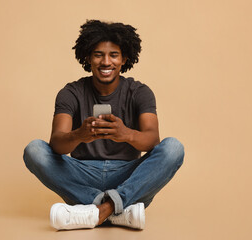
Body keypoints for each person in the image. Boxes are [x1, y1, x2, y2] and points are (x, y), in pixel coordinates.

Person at [23, 20, 184, 230]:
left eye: (113, 55)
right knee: (34, 149)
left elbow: (152, 140)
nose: (106, 62)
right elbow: (57, 144)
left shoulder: (139, 92)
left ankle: (101, 209)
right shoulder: (71, 92)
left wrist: (125, 134)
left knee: (174, 148)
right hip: (82, 174)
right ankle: (118, 209)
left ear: (124, 58)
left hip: (127, 174)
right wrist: (79, 135)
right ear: (88, 57)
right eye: (98, 54)